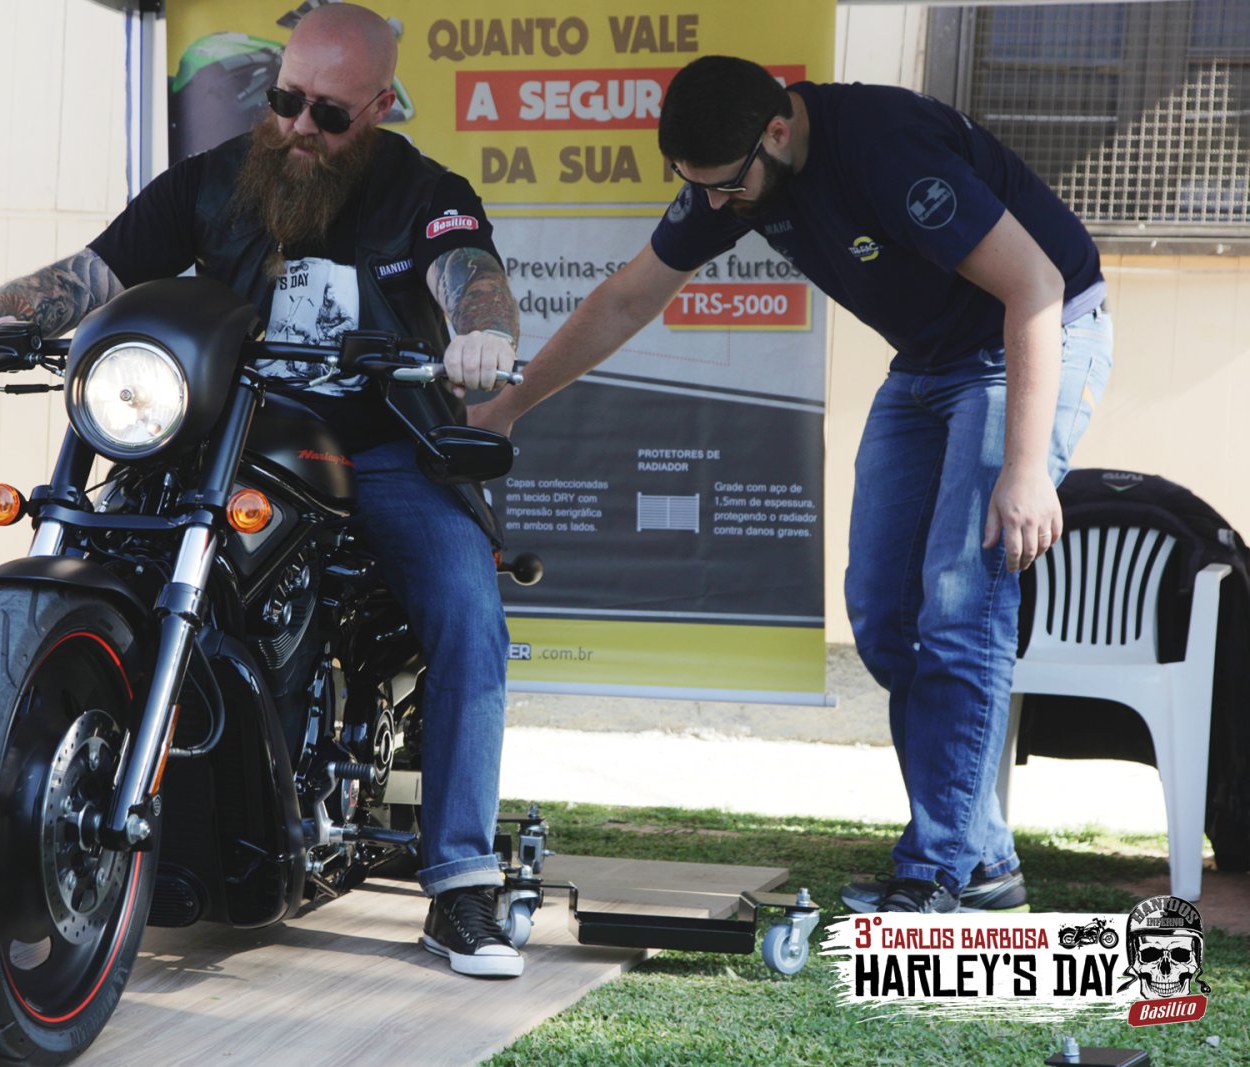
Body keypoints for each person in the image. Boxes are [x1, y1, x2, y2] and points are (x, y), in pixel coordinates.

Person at [0, 4, 525, 975]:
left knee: (467, 608)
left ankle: (460, 882)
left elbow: (470, 274)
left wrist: (482, 333)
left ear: (380, 107)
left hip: (375, 447)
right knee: (102, 536)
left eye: (329, 114)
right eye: (286, 100)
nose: (299, 126)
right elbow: (94, 272)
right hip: (219, 439)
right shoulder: (215, 178)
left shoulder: (423, 192)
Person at [469, 56, 1113, 914]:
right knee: (885, 618)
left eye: (727, 187)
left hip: (1028, 344)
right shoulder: (735, 175)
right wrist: (505, 409)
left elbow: (1036, 286)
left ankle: (942, 872)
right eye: (698, 187)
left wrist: (1026, 468)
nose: (716, 205)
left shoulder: (886, 150)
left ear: (778, 130)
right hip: (929, 364)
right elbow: (627, 300)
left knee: (962, 605)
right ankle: (983, 856)